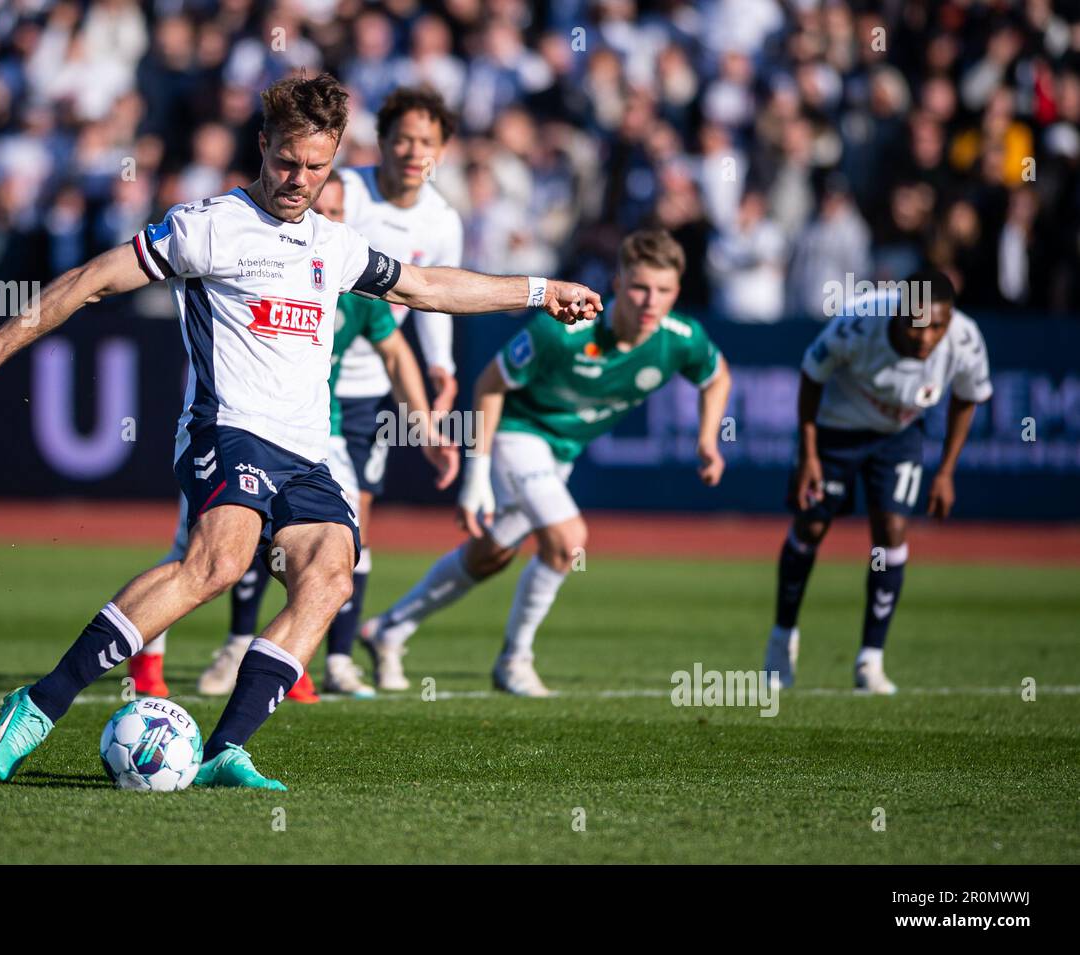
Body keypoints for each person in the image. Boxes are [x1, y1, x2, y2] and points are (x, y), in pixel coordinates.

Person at [0, 73, 600, 789]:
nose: (298, 178)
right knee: (219, 563)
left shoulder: (334, 244)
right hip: (226, 428)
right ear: (263, 145)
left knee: (331, 574)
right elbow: (92, 280)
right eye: (286, 160)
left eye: (316, 166)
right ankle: (40, 701)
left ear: (336, 156)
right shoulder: (208, 224)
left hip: (305, 451)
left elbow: (428, 287)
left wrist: (539, 289)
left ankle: (224, 750)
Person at [127, 170, 459, 701]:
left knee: (328, 544)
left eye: (348, 212)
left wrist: (424, 428)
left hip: (307, 436)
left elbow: (397, 349)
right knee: (199, 553)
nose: (337, 219)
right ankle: (156, 656)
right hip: (232, 426)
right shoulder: (249, 248)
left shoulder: (348, 276)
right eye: (332, 207)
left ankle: (293, 655)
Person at [361, 229, 730, 695]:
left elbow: (716, 377)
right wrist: (478, 475)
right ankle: (515, 662)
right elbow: (490, 385)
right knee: (569, 541)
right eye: (639, 287)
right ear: (618, 283)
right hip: (517, 436)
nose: (649, 301)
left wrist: (708, 439)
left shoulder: (682, 338)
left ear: (678, 291)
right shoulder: (566, 329)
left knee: (490, 555)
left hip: (562, 454)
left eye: (663, 290)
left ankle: (388, 630)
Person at [192, 87, 466, 700]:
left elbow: (426, 295)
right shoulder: (341, 193)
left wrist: (440, 369)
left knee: (341, 532)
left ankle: (330, 654)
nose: (414, 151)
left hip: (355, 395)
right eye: (403, 138)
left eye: (427, 141)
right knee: (226, 539)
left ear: (442, 150)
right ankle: (241, 642)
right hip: (274, 388)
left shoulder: (437, 222)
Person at [763, 268, 993, 694]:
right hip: (836, 429)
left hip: (898, 436)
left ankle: (871, 660)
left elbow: (968, 397)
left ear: (950, 320)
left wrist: (945, 471)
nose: (925, 337)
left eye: (936, 326)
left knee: (891, 531)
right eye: (915, 324)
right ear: (898, 313)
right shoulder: (860, 321)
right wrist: (809, 454)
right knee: (810, 526)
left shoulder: (965, 338)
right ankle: (782, 641)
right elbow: (812, 375)